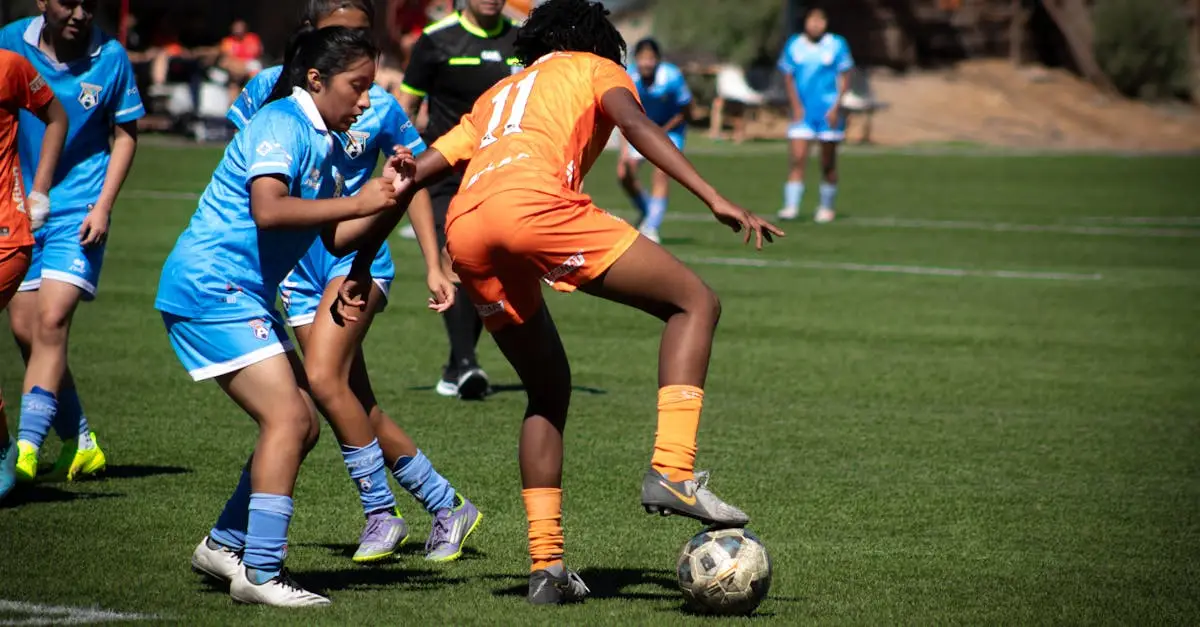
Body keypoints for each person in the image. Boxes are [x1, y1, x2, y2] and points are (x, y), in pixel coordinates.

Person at [338, 0, 783, 605]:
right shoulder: (597, 67)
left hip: (466, 227)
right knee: (694, 304)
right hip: (535, 210)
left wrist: (360, 264)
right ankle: (672, 470)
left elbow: (412, 172)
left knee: (548, 390)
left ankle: (547, 569)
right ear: (598, 40)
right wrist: (714, 196)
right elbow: (640, 128)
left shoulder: (500, 92)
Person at [157, 26, 428, 607]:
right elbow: (269, 209)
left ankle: (224, 543)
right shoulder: (281, 121)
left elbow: (334, 236)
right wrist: (360, 200)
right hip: (211, 285)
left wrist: (392, 195)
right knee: (289, 418)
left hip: (238, 293)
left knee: (301, 420)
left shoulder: (324, 138)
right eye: (358, 87)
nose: (366, 100)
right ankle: (260, 573)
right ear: (316, 78)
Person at [226, 0, 482, 565]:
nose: (355, 46)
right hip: (295, 265)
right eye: (342, 34)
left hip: (354, 258)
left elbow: (409, 179)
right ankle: (447, 505)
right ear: (314, 39)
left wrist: (435, 262)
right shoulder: (269, 93)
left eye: (363, 35)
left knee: (321, 380)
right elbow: (247, 178)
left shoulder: (380, 104)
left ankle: (380, 512)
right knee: (351, 400)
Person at [0, 0, 145, 484]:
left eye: (89, 2)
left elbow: (126, 134)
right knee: (27, 332)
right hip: (19, 206)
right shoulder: (10, 42)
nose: (81, 12)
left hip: (80, 206)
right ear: (43, 2)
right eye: (68, 2)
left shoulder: (112, 58)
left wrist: (103, 205)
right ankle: (81, 440)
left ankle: (24, 450)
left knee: (52, 320)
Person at [395, 0, 520, 400]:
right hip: (444, 169)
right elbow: (407, 106)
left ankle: (456, 364)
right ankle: (467, 365)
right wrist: (399, 156)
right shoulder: (436, 40)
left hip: (498, 172)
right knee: (452, 257)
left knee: (483, 269)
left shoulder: (521, 39)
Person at [0, 50, 69, 502]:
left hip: (6, 235)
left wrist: (39, 188)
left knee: (45, 325)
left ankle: (5, 451)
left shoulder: (8, 66)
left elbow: (56, 116)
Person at [776, 7, 854, 224]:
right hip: (803, 112)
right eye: (813, 20)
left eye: (821, 20)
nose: (816, 24)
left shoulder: (836, 44)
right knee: (798, 158)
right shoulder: (794, 44)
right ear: (806, 22)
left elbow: (845, 76)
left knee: (828, 163)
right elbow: (788, 77)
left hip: (828, 111)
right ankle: (790, 206)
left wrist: (836, 107)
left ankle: (826, 207)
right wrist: (796, 106)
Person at [616, 37, 692, 244]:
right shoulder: (628, 77)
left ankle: (651, 227)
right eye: (642, 58)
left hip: (671, 130)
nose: (646, 63)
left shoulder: (672, 76)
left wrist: (661, 131)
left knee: (661, 172)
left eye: (650, 58)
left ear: (658, 60)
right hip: (640, 129)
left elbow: (686, 110)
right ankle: (648, 212)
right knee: (624, 174)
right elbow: (623, 114)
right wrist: (624, 150)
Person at [218, 20, 264, 107]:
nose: (238, 30)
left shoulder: (252, 38)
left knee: (254, 69)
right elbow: (226, 58)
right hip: (234, 71)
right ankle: (232, 108)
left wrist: (242, 66)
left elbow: (255, 56)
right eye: (236, 27)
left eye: (240, 27)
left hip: (248, 67)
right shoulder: (227, 41)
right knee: (233, 83)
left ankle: (253, 99)